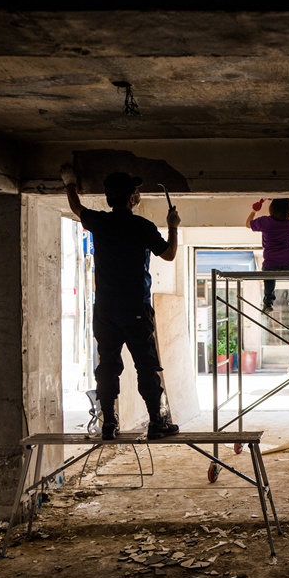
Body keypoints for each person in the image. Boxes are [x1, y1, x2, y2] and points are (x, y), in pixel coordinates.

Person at [60, 164, 181, 440]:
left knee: (108, 365)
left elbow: (77, 208)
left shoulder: (100, 222)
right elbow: (170, 254)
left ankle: (108, 425)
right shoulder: (142, 227)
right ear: (131, 198)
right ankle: (156, 423)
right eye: (135, 190)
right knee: (146, 365)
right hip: (135, 309)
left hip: (105, 310)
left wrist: (69, 181)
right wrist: (173, 226)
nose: (138, 193)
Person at [247, 197, 289, 319]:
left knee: (269, 276)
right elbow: (288, 212)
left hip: (270, 262)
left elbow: (248, 224)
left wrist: (254, 210)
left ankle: (268, 303)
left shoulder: (265, 222)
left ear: (272, 208)